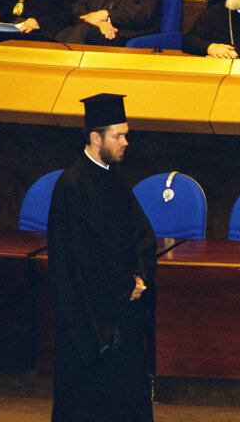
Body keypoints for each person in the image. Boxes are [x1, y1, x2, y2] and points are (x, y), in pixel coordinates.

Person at [47, 93, 156, 422]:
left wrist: (140, 276)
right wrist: (125, 287)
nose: (125, 142)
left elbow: (141, 234)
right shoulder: (72, 186)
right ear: (96, 138)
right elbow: (80, 261)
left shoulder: (114, 176)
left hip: (119, 312)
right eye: (118, 136)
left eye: (126, 134)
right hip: (91, 324)